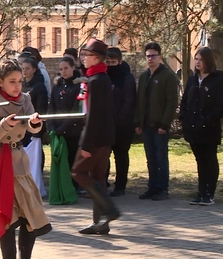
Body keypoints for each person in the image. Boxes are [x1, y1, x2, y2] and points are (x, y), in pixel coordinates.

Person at [0, 60, 51, 259]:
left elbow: (31, 127)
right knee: (5, 219)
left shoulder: (25, 99)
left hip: (18, 163)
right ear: (0, 81)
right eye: (12, 81)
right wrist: (4, 125)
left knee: (31, 215)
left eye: (20, 81)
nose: (17, 86)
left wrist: (35, 123)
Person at [70, 39, 119, 235]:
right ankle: (100, 223)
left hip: (97, 139)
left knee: (78, 172)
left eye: (87, 55)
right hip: (103, 137)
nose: (84, 59)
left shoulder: (98, 80)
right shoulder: (98, 78)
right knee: (97, 178)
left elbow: (95, 115)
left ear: (96, 58)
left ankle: (109, 209)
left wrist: (87, 144)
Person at [179, 47, 223, 206]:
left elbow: (221, 106)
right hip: (193, 128)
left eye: (200, 59)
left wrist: (206, 120)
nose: (197, 62)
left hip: (209, 128)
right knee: (200, 160)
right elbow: (185, 101)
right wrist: (185, 119)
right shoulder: (193, 80)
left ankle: (209, 192)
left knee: (210, 160)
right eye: (196, 59)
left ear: (208, 61)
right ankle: (200, 191)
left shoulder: (217, 81)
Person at [134, 42, 178, 201]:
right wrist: (138, 122)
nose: (150, 59)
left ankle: (162, 188)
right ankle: (152, 187)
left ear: (160, 56)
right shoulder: (145, 76)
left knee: (161, 158)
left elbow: (171, 102)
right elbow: (140, 101)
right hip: (146, 125)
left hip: (160, 126)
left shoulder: (168, 76)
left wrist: (165, 124)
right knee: (150, 158)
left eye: (153, 55)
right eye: (148, 56)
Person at [47, 57, 83, 204]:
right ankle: (60, 187)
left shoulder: (79, 86)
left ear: (73, 67)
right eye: (61, 69)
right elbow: (52, 108)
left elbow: (75, 110)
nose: (63, 72)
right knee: (59, 161)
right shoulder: (57, 86)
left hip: (72, 131)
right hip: (58, 131)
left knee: (72, 160)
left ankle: (73, 188)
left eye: (66, 68)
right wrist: (51, 127)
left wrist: (62, 129)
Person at [105, 47, 137, 196]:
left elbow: (129, 101)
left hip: (123, 124)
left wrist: (119, 119)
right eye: (108, 62)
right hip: (107, 123)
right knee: (105, 155)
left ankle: (120, 185)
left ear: (120, 61)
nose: (111, 65)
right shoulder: (104, 76)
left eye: (113, 62)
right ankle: (103, 182)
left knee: (121, 155)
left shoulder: (126, 77)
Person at [21, 57, 48, 197]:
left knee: (35, 157)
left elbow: (42, 108)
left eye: (27, 68)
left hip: (34, 126)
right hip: (21, 127)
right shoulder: (21, 85)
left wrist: (38, 126)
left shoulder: (39, 86)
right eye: (22, 68)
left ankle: (36, 184)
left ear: (34, 69)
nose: (24, 71)